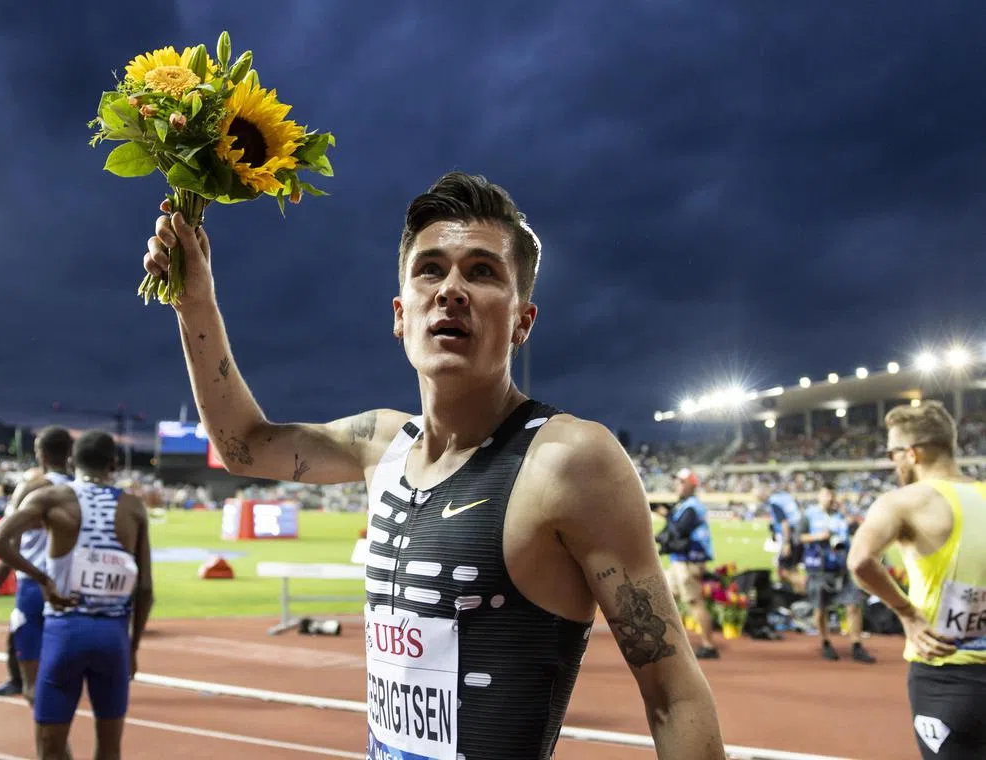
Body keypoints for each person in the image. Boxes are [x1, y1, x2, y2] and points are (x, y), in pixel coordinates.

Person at [143, 171, 726, 759]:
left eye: (482, 271)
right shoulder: (380, 445)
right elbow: (243, 443)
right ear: (401, 314)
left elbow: (673, 694)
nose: (452, 289)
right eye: (430, 269)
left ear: (523, 321)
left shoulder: (568, 461)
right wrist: (195, 300)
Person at [0, 430, 154, 760]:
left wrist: (43, 579)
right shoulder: (133, 507)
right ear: (114, 464)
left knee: (49, 745)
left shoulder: (53, 498)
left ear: (72, 461)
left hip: (65, 632)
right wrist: (132, 648)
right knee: (109, 749)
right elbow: (145, 590)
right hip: (113, 637)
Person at [848, 400, 986, 758]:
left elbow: (861, 560)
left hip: (947, 674)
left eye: (893, 453)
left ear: (911, 453)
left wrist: (907, 613)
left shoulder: (904, 501)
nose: (894, 462)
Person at [0, 426, 74, 702]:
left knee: (34, 684)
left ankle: (28, 696)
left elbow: (6, 545)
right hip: (70, 585)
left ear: (40, 455)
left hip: (34, 586)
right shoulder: (81, 491)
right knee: (67, 675)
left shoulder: (32, 489)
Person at [799, 483, 876, 663]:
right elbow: (798, 537)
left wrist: (847, 516)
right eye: (826, 494)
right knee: (820, 609)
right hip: (818, 568)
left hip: (841, 567)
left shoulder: (842, 515)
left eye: (833, 495)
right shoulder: (809, 515)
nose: (830, 498)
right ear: (819, 496)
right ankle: (825, 641)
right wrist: (819, 537)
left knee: (854, 604)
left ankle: (856, 644)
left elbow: (858, 531)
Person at [657, 468, 718, 658]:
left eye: (682, 482)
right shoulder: (685, 505)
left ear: (692, 484)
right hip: (679, 561)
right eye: (677, 482)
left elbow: (680, 531)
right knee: (665, 599)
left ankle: (709, 645)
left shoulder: (691, 507)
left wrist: (665, 515)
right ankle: (668, 640)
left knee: (694, 602)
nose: (677, 485)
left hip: (689, 562)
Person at [756, 480, 805, 592]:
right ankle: (795, 596)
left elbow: (784, 523)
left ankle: (808, 588)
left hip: (791, 536)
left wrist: (787, 543)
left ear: (763, 493)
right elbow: (799, 512)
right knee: (792, 568)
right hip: (799, 533)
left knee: (784, 571)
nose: (757, 499)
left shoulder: (774, 502)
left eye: (758, 496)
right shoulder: (785, 497)